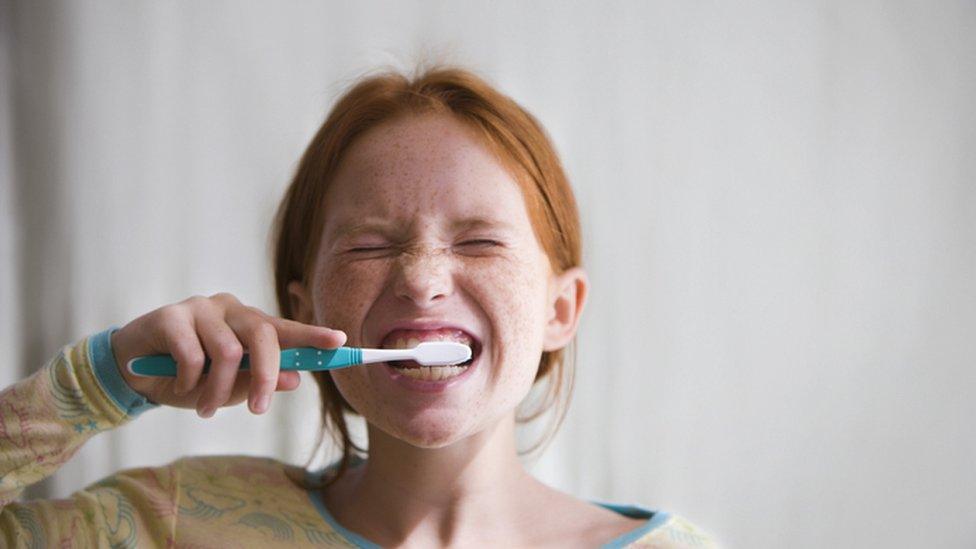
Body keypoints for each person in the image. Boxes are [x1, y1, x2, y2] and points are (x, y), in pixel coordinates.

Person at [0, 66, 716, 547]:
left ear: (562, 308)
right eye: (370, 246)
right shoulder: (177, 522)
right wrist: (95, 383)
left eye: (479, 240)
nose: (422, 279)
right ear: (300, 305)